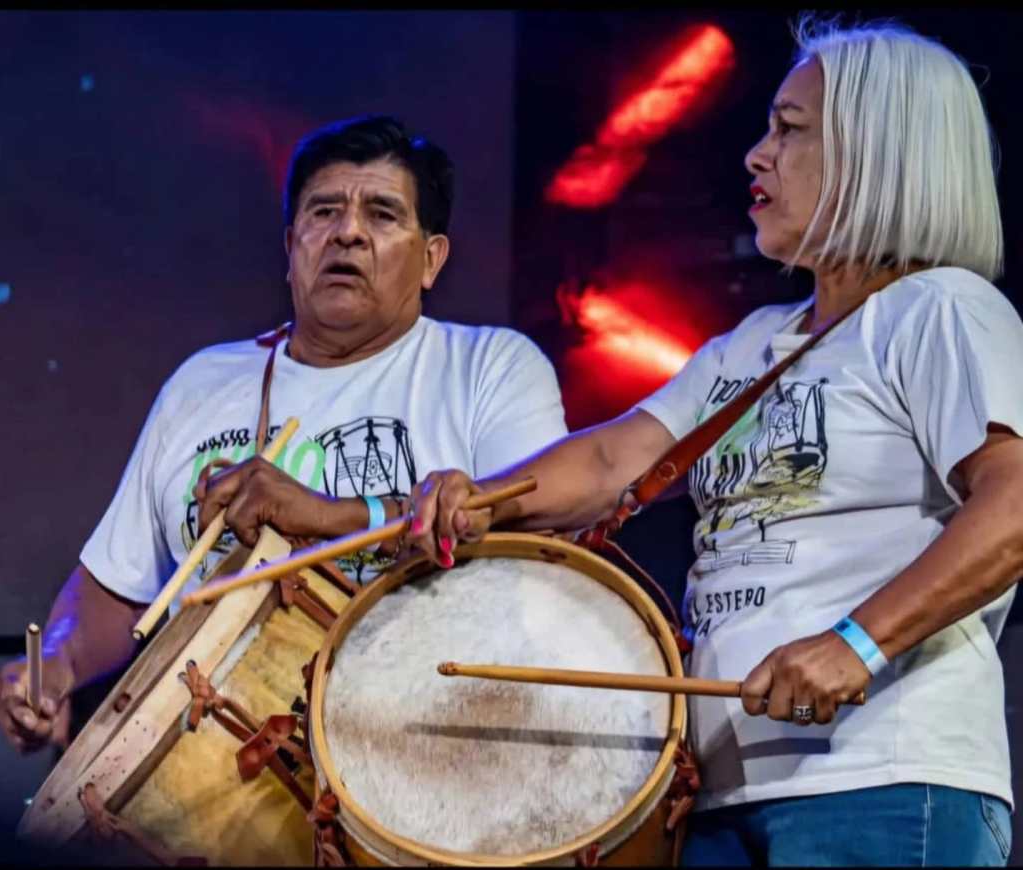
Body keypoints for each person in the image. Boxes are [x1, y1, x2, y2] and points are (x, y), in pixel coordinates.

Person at [406, 18, 1022, 867]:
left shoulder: (939, 309)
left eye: (790, 130)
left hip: (883, 778)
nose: (756, 155)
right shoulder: (751, 344)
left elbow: (1014, 505)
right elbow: (611, 460)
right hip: (728, 796)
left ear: (876, 151)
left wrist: (858, 643)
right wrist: (481, 499)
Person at [0, 115, 567, 756]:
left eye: (382, 215)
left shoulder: (489, 367)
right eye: (324, 212)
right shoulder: (203, 383)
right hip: (206, 761)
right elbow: (118, 583)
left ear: (431, 259)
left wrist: (322, 515)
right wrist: (56, 664)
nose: (348, 232)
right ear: (292, 246)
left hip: (419, 753)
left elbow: (534, 544)